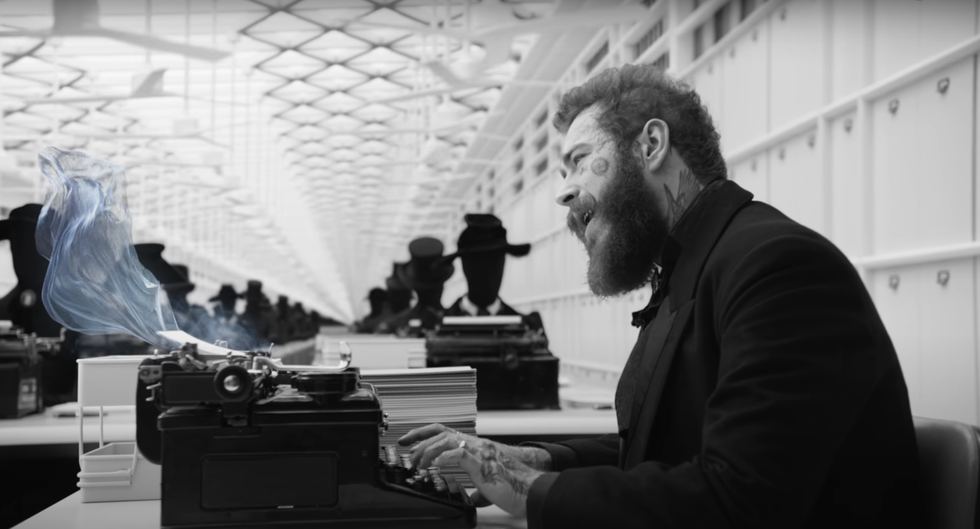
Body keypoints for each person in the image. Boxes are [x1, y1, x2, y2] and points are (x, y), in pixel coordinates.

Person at [398, 63, 924, 528]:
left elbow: (739, 498)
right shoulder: (694, 266)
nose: (563, 191)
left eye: (579, 160)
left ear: (651, 145)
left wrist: (529, 491)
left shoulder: (778, 267)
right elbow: (660, 449)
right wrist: (539, 459)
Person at [443, 213, 529, 317]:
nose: (486, 273)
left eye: (494, 263)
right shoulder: (439, 324)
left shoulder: (524, 324)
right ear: (464, 265)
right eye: (477, 263)